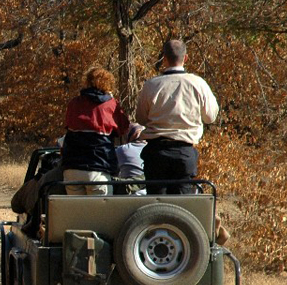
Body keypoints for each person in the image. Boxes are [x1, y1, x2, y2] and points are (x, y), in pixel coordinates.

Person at [136, 40, 219, 194]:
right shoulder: (198, 83)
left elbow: (141, 118)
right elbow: (210, 117)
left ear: (164, 59)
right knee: (181, 206)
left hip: (156, 153)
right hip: (184, 152)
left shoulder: (152, 85)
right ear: (185, 58)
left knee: (156, 205)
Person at [62, 67, 130, 195]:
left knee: (77, 213)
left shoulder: (74, 103)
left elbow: (69, 126)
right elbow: (123, 128)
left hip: (72, 169)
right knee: (100, 213)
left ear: (86, 82)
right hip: (98, 169)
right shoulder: (110, 104)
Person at [115, 123, 147, 195]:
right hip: (150, 188)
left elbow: (113, 169)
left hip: (131, 190)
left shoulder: (122, 149)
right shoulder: (151, 149)